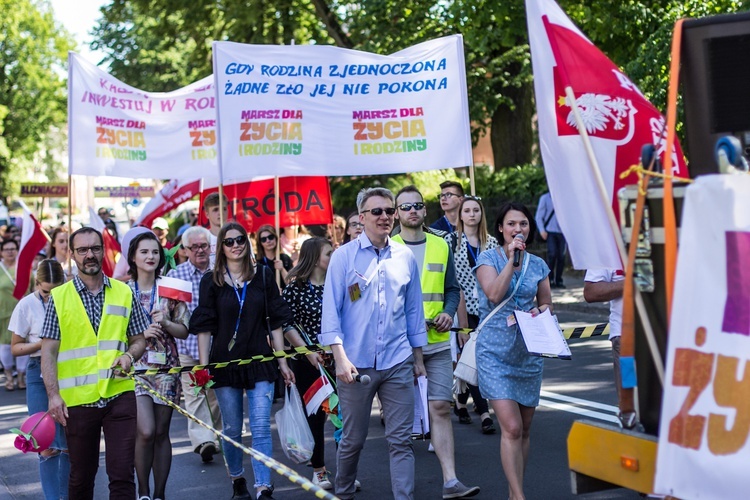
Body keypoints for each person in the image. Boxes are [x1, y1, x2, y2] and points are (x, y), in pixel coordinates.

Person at [320, 187, 427, 500]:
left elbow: (413, 312)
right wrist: (339, 358)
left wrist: (417, 358)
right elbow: (331, 312)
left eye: (389, 211)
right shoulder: (343, 258)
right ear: (362, 218)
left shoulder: (404, 256)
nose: (384, 217)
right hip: (355, 364)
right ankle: (343, 493)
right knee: (353, 439)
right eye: (376, 211)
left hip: (397, 360)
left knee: (401, 440)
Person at [40, 227, 149, 500]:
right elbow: (49, 352)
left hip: (119, 395)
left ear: (104, 250)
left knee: (123, 474)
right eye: (82, 250)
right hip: (78, 402)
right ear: (72, 254)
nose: (90, 255)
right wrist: (53, 396)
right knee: (81, 476)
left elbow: (139, 340)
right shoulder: (59, 297)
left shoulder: (124, 292)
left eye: (95, 248)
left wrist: (129, 356)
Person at [191, 222, 294, 499]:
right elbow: (204, 327)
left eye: (240, 240)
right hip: (225, 365)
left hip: (260, 360)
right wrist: (203, 368)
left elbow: (275, 321)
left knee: (261, 427)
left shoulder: (262, 275)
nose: (235, 245)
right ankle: (237, 480)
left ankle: (263, 486)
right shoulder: (210, 281)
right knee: (233, 429)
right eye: (229, 242)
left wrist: (283, 362)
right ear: (221, 248)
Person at [392, 186, 480, 499]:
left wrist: (446, 312)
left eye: (417, 205)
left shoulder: (441, 244)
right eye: (405, 207)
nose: (412, 210)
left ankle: (451, 481)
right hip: (401, 346)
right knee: (401, 419)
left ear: (425, 210)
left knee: (441, 407)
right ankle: (403, 490)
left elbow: (452, 289)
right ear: (397, 213)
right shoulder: (387, 248)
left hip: (438, 340)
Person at [475, 202, 552, 500]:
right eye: (511, 224)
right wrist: (511, 262)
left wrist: (540, 311)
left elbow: (546, 302)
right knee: (511, 427)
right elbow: (494, 294)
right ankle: (520, 497)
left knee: (525, 429)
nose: (517, 229)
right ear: (500, 229)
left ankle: (513, 493)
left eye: (523, 224)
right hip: (494, 353)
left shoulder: (539, 264)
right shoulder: (487, 259)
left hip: (528, 352)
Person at [126, 231, 190, 500]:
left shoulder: (172, 288)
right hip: (135, 366)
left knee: (162, 432)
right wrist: (138, 336)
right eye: (144, 252)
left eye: (155, 252)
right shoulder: (122, 291)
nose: (150, 257)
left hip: (166, 367)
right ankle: (143, 491)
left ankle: (160, 494)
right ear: (133, 257)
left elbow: (184, 330)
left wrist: (165, 322)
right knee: (146, 430)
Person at [281, 237, 338, 490]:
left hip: (340, 359)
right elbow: (286, 324)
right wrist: (306, 353)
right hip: (309, 363)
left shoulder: (339, 283)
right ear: (315, 258)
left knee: (342, 416)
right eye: (329, 253)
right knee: (316, 416)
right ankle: (319, 470)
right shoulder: (295, 288)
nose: (333, 257)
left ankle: (346, 470)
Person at [9, 260, 69, 499]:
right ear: (37, 284)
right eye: (46, 292)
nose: (51, 297)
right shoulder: (26, 305)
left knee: (68, 445)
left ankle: (66, 496)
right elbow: (15, 348)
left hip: (67, 369)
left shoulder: (72, 299)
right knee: (45, 445)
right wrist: (43, 343)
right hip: (37, 371)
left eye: (57, 291)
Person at [167, 226, 222, 464]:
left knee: (216, 397)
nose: (200, 251)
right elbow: (169, 311)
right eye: (194, 247)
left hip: (219, 348)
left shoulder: (220, 272)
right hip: (189, 348)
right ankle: (203, 441)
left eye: (204, 246)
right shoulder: (176, 277)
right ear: (185, 250)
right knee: (195, 395)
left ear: (211, 248)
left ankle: (219, 437)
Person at [446, 196, 497, 434]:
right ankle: (485, 412)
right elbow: (452, 281)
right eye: (467, 210)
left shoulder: (492, 243)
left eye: (476, 210)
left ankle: (461, 401)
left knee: (478, 358)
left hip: (488, 305)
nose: (472, 214)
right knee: (469, 356)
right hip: (461, 307)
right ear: (460, 215)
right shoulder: (450, 242)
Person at [0, 238, 22, 391]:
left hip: (21, 313)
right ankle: (8, 375)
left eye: (13, 249)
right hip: (3, 314)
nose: (10, 252)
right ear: (1, 252)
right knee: (5, 347)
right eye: (7, 249)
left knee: (22, 344)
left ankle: (21, 376)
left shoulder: (24, 267)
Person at [534, 192, 567, 288]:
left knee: (562, 256)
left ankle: (559, 280)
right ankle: (550, 279)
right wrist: (542, 230)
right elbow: (539, 216)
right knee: (552, 254)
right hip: (550, 231)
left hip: (563, 232)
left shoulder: (565, 198)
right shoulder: (545, 198)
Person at [255, 224, 293, 289]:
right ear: (260, 243)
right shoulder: (256, 261)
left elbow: (292, 284)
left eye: (271, 237)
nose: (268, 241)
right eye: (264, 239)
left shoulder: (285, 258)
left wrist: (282, 269)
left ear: (276, 238)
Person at [203, 192, 229, 263]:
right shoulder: (202, 239)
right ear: (207, 214)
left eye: (224, 209)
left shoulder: (239, 236)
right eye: (215, 209)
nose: (220, 212)